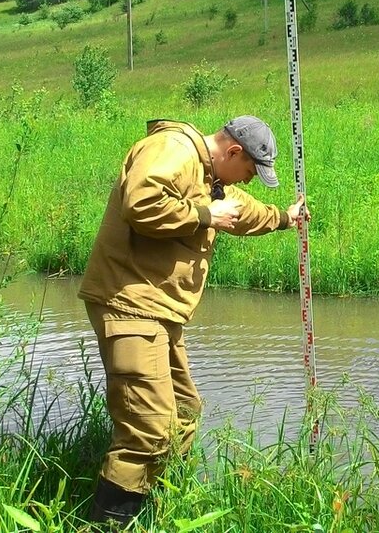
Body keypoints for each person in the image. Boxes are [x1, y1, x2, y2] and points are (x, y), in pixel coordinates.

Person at [78, 115, 305, 526]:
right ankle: (107, 524)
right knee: (146, 429)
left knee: (183, 410)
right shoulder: (174, 149)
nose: (249, 181)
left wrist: (286, 218)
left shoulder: (209, 175)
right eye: (250, 172)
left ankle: (158, 510)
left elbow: (242, 211)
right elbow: (141, 202)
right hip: (131, 304)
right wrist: (204, 215)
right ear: (233, 152)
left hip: (158, 311)